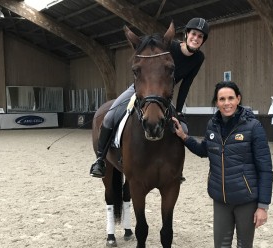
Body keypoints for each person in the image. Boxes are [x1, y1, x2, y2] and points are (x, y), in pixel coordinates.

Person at [172, 81, 273, 248]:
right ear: (216, 102)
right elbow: (205, 150)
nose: (227, 103)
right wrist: (184, 137)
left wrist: (263, 206)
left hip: (246, 200)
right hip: (220, 200)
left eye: (230, 98)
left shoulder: (253, 127)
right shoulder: (212, 125)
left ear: (238, 99)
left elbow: (266, 169)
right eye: (222, 99)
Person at [90, 18, 210, 178]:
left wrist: (179, 113)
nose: (196, 38)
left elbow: (185, 85)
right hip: (142, 88)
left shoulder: (198, 58)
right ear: (187, 34)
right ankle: (100, 160)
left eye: (200, 36)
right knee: (110, 115)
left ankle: (177, 169)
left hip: (165, 94)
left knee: (184, 129)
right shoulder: (170, 46)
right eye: (193, 34)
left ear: (203, 41)